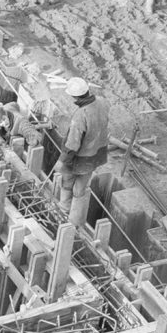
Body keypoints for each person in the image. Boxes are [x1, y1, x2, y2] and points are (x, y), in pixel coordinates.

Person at [55, 76, 109, 228]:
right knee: (81, 188)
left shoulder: (81, 115)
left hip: (80, 156)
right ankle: (74, 221)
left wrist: (62, 160)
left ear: (74, 96)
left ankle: (64, 210)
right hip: (96, 154)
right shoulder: (102, 102)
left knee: (67, 180)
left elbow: (73, 143)